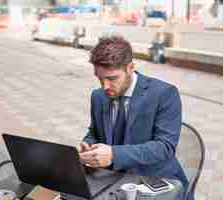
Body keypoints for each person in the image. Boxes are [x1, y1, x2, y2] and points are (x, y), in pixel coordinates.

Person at [79, 36, 188, 197]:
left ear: (130, 67)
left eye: (112, 78)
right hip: (112, 180)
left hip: (154, 180)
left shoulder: (164, 94)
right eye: (100, 78)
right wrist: (89, 144)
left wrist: (114, 155)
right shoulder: (98, 96)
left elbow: (165, 147)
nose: (105, 86)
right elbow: (95, 131)